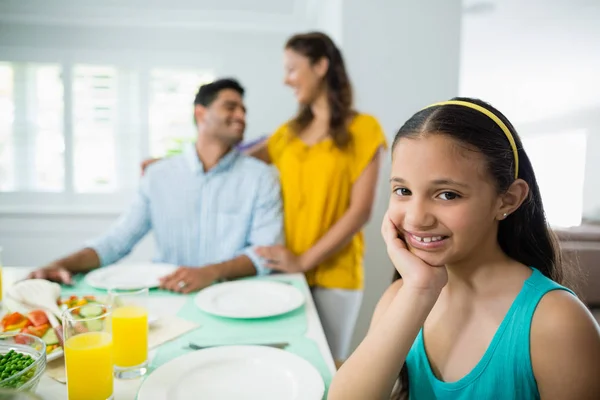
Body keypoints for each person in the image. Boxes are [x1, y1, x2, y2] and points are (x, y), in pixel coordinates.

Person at [328, 98, 600, 399]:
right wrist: (419, 290)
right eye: (403, 190)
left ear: (507, 200)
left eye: (447, 194)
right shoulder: (401, 298)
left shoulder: (557, 322)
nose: (416, 218)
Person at [28, 78, 283, 294]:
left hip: (234, 296)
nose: (241, 116)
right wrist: (62, 264)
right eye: (231, 107)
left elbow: (263, 254)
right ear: (201, 113)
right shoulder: (159, 175)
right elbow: (117, 241)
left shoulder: (260, 178)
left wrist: (211, 272)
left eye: (243, 110)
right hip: (168, 295)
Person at [249, 31, 387, 366]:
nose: (286, 79)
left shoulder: (364, 129)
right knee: (285, 365)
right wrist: (167, 164)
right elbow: (233, 162)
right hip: (284, 272)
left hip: (335, 275)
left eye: (293, 69)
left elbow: (360, 212)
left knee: (326, 367)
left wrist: (305, 261)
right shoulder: (287, 134)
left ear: (321, 65)